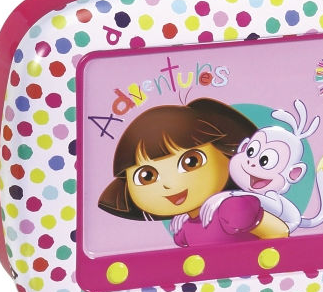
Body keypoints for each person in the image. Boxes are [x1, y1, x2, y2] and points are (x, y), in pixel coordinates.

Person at [98, 98, 289, 246]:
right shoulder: (184, 229)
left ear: (225, 153)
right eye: (147, 176)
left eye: (191, 162)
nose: (170, 184)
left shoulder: (232, 208)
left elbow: (279, 233)